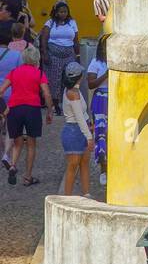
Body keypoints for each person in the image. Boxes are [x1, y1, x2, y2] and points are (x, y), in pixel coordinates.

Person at [1, 46, 52, 186]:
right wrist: (50, 110)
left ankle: (12, 165)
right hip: (32, 109)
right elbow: (46, 93)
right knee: (31, 144)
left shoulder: (14, 72)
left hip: (15, 109)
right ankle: (28, 177)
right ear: (36, 58)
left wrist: (4, 108)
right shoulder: (39, 73)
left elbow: (1, 91)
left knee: (17, 141)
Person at [40, 0, 81, 113]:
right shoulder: (50, 23)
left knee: (69, 79)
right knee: (54, 80)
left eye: (65, 11)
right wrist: (45, 53)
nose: (63, 14)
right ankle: (56, 104)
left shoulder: (72, 23)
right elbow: (44, 38)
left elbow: (76, 40)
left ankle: (68, 103)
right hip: (53, 54)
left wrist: (78, 55)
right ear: (56, 12)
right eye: (61, 12)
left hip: (69, 54)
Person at [60, 62, 92, 197]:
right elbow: (79, 117)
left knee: (84, 163)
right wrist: (89, 136)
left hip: (78, 130)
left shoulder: (74, 90)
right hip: (74, 131)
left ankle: (86, 194)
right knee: (73, 166)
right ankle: (67, 197)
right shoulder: (73, 93)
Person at [87, 34, 109, 186]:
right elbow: (90, 84)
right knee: (101, 133)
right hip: (101, 98)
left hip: (116, 98)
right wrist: (105, 76)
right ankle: (103, 169)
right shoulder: (96, 62)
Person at [0, 30, 23, 159]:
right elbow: (19, 75)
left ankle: (1, 150)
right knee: (9, 125)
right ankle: (6, 155)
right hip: (10, 92)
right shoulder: (16, 55)